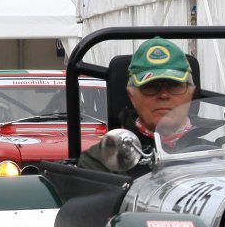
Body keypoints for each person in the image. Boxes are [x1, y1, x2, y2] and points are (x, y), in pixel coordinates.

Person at [79, 36, 197, 173]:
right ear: (132, 95)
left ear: (191, 93)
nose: (164, 95)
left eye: (174, 85)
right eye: (151, 86)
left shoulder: (215, 151)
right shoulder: (103, 161)